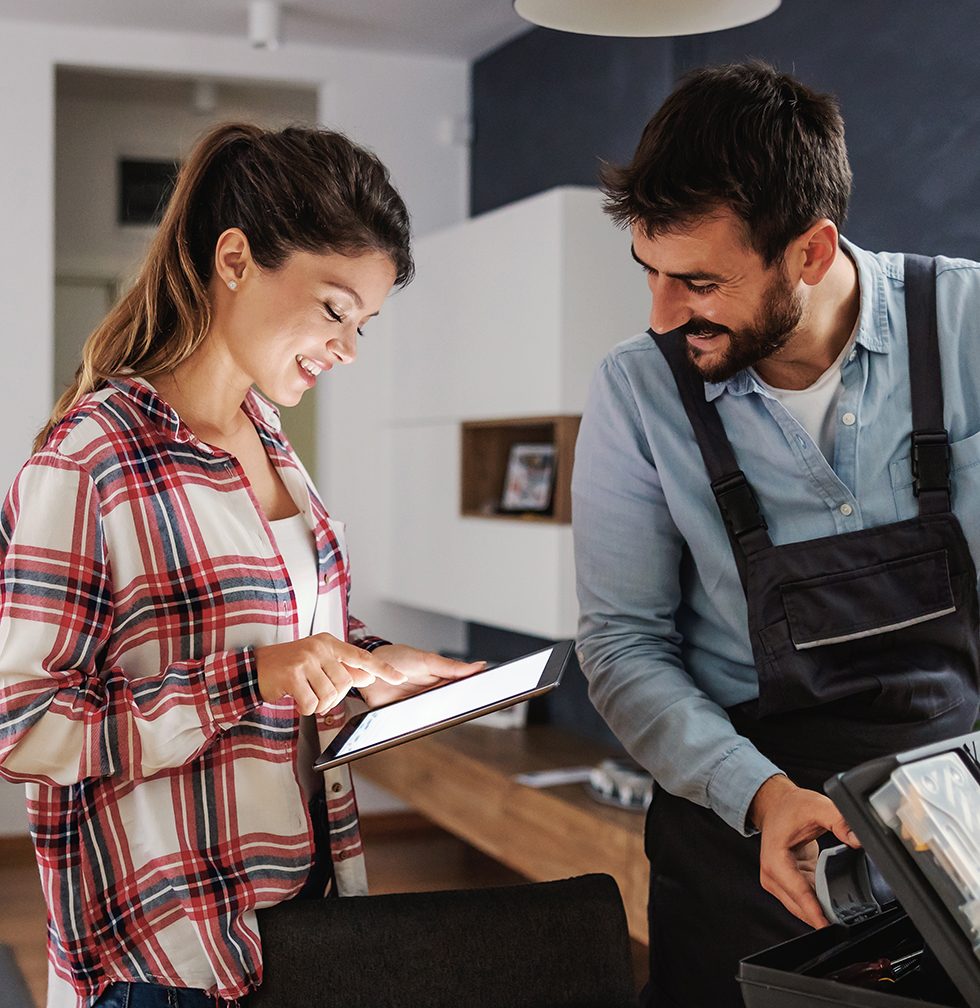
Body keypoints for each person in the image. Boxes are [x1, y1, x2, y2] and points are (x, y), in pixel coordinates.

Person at [0, 122, 483, 1008]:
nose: (346, 347)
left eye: (363, 325)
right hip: (169, 952)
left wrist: (367, 665)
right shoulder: (89, 460)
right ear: (234, 259)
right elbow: (25, 725)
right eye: (336, 308)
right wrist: (252, 679)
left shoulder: (269, 443)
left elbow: (275, 634)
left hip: (294, 908)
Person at [572, 61, 980, 1007]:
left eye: (699, 282)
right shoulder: (637, 391)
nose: (662, 316)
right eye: (650, 274)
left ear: (809, 249)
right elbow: (623, 644)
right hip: (742, 834)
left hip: (956, 821)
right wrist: (760, 798)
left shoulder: (965, 327)